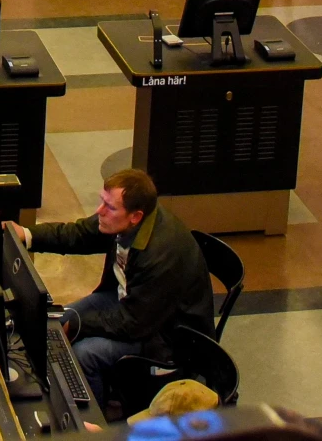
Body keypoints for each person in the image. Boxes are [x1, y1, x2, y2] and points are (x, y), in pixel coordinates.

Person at [11, 168, 215, 399]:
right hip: (128, 300)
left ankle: (94, 422)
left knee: (84, 354)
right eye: (102, 202)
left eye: (109, 207)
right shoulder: (126, 222)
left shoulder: (160, 254)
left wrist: (81, 326)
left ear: (135, 216)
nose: (100, 211)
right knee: (59, 321)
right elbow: (78, 234)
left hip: (166, 336)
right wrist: (27, 234)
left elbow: (134, 323)